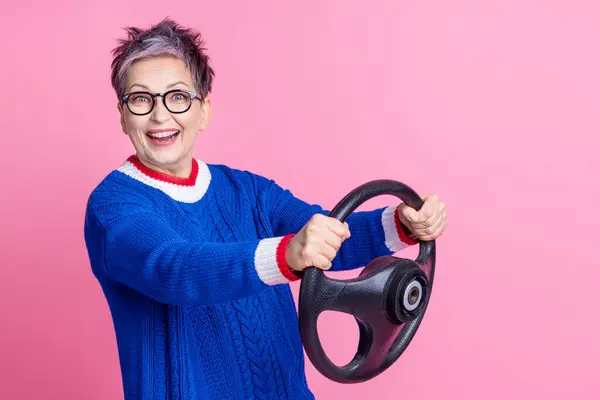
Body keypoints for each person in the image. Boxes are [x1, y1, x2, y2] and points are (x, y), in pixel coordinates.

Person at [84, 18, 448, 400]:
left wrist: (401, 224)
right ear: (123, 115)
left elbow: (326, 235)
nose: (160, 115)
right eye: (141, 99)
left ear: (203, 110)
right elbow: (173, 268)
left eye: (177, 96)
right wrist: (286, 254)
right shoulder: (114, 206)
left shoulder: (249, 190)